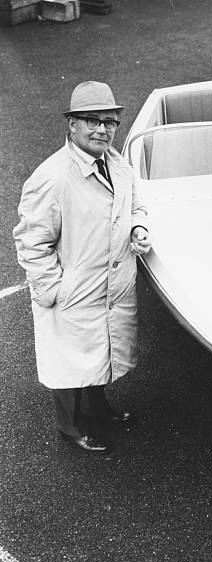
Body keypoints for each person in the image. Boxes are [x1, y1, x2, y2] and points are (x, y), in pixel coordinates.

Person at [13, 81, 151, 455]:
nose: (102, 129)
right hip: (73, 291)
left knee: (99, 352)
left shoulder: (119, 166)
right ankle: (70, 427)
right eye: (91, 120)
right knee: (69, 362)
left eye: (109, 121)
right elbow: (31, 241)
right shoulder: (51, 177)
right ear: (71, 125)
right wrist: (52, 290)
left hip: (109, 286)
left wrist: (137, 227)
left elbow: (135, 207)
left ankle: (98, 409)